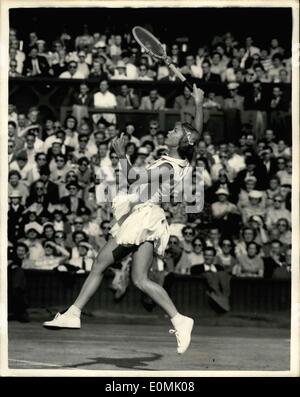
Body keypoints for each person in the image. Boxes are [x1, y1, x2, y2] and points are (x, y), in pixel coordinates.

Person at [43, 84, 205, 355]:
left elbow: (129, 178)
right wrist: (198, 105)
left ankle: (74, 312)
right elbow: (195, 136)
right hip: (148, 217)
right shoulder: (184, 161)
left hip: (143, 216)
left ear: (182, 142)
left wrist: (121, 155)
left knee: (100, 263)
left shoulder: (167, 167)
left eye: (175, 131)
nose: (170, 131)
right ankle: (179, 319)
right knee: (139, 279)